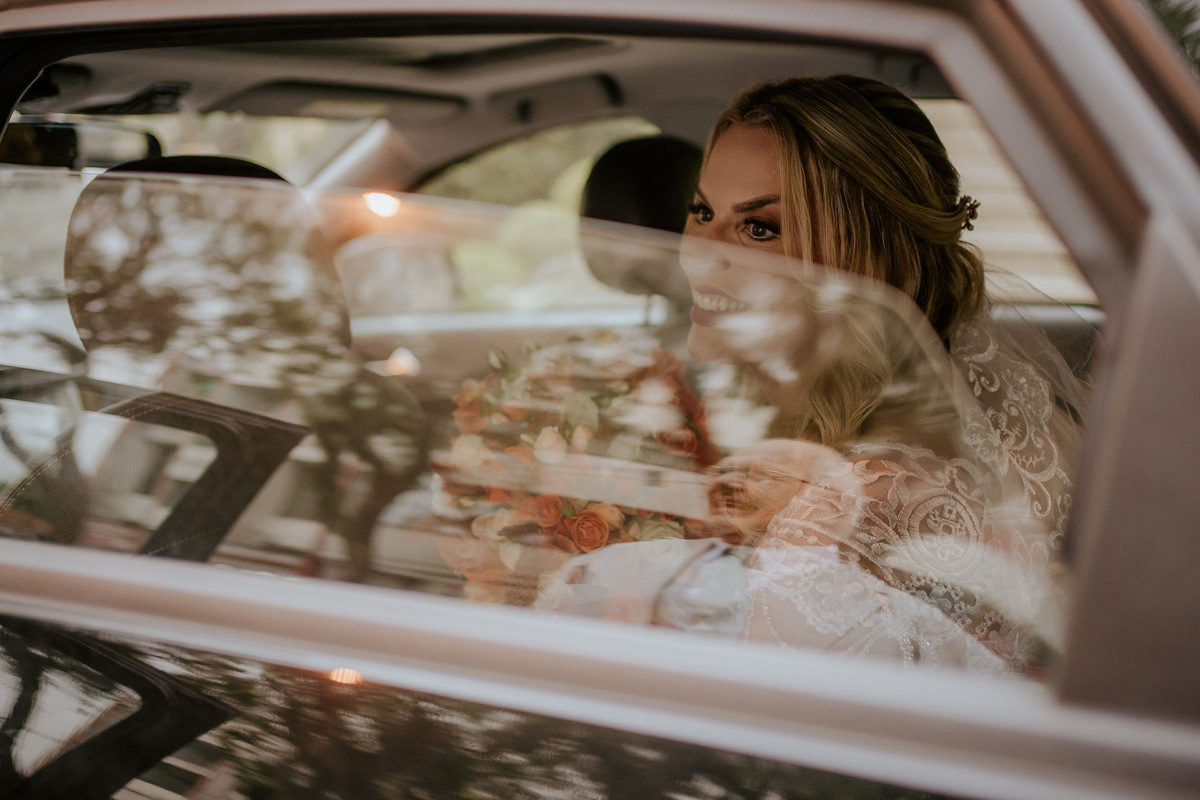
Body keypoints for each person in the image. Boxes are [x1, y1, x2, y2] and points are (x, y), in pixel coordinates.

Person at [539, 76, 1088, 676]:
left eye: (759, 228)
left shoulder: (837, 521)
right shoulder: (1037, 432)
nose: (697, 253)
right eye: (702, 212)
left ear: (857, 261)